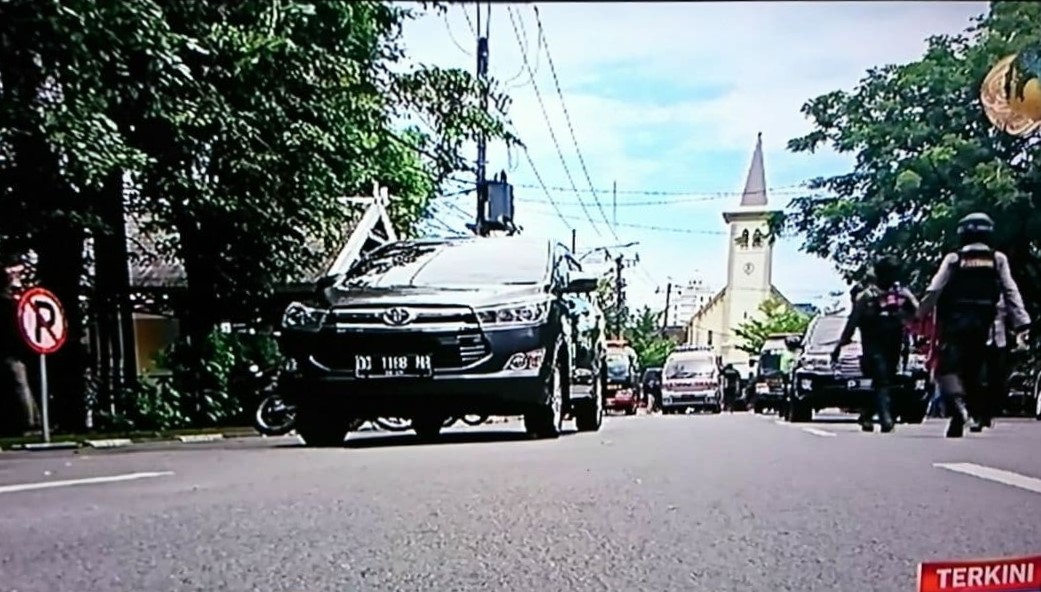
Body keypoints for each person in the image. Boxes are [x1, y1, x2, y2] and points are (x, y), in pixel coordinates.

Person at [918, 213, 1030, 438]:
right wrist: (1022, 322)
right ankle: (976, 412)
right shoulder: (997, 259)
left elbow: (935, 289)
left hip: (956, 325)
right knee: (975, 371)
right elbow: (1010, 291)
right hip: (986, 326)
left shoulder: (954, 258)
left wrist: (919, 313)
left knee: (946, 369)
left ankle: (959, 406)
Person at [831, 255, 918, 433]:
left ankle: (867, 414)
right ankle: (886, 418)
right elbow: (852, 323)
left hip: (894, 345)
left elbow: (918, 313)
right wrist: (839, 347)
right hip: (873, 346)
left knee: (886, 380)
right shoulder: (866, 297)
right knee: (881, 377)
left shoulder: (902, 294)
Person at [0, 253, 40, 436]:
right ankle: (32, 421)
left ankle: (30, 423)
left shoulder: (13, 298)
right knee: (20, 381)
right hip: (18, 345)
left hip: (13, 347)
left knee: (19, 381)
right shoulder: (13, 297)